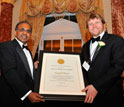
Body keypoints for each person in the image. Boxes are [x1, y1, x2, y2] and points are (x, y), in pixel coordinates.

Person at [80, 13, 124, 107]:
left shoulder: (116, 40)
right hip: (90, 97)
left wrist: (96, 86)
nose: (94, 26)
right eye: (90, 24)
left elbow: (118, 67)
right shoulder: (85, 46)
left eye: (97, 22)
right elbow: (81, 67)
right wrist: (66, 57)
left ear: (104, 24)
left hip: (110, 96)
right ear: (88, 28)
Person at [0, 21, 45, 106]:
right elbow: (10, 72)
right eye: (22, 30)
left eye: (28, 31)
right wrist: (28, 93)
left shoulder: (28, 51)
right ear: (16, 32)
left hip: (26, 98)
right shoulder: (6, 46)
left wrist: (33, 67)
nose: (25, 33)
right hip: (12, 97)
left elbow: (23, 69)